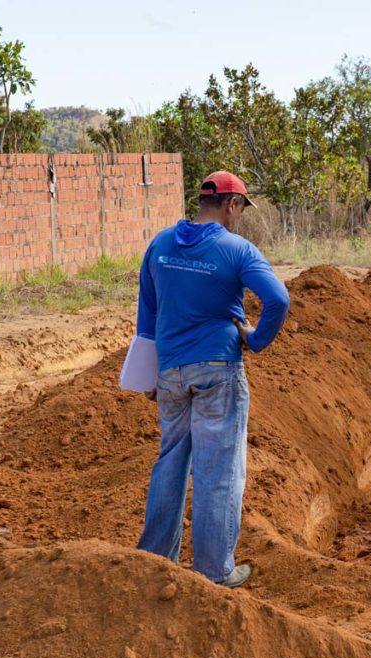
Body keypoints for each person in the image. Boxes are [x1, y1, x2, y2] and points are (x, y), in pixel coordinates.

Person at [134, 171, 290, 587]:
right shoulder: (237, 250)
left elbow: (147, 314)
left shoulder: (160, 244)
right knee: (218, 472)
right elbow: (278, 299)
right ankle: (214, 571)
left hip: (170, 372)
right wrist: (255, 340)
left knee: (170, 463)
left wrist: (149, 371)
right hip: (218, 371)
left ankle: (154, 560)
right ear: (231, 205)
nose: (239, 218)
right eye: (241, 210)